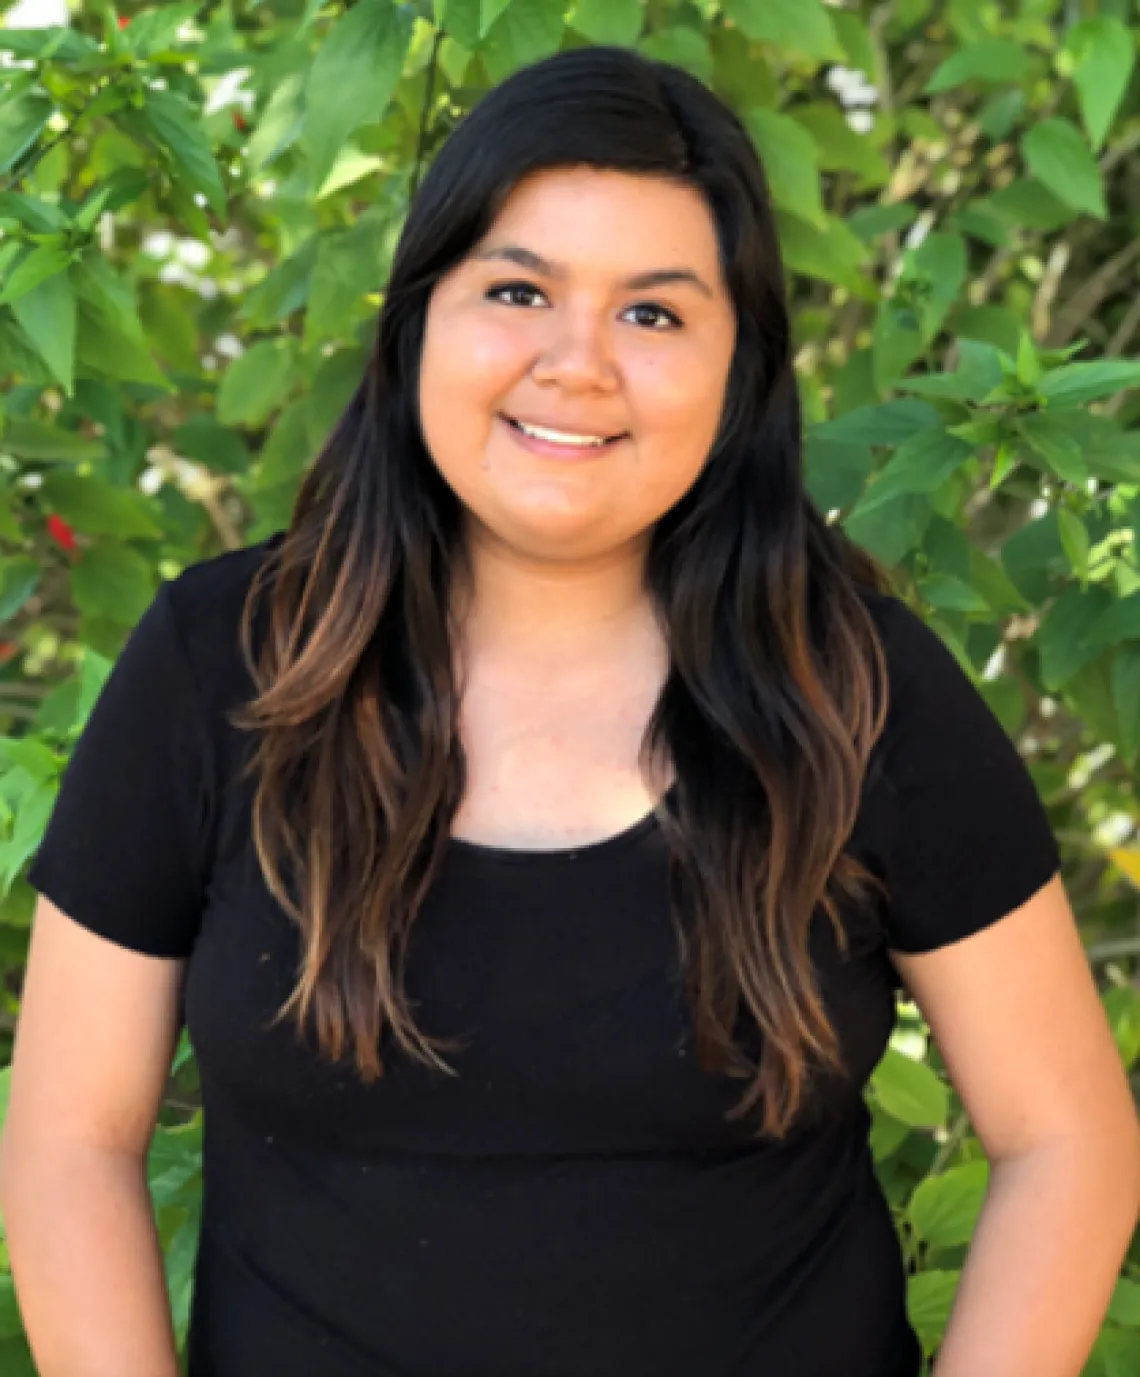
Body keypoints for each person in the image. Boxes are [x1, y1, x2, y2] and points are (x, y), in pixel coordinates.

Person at [2, 43, 1137, 1377]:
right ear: (420, 315)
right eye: (519, 289)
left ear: (739, 372)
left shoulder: (854, 689)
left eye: (654, 314)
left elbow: (1066, 1135)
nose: (577, 363)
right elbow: (72, 1136)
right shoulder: (224, 666)